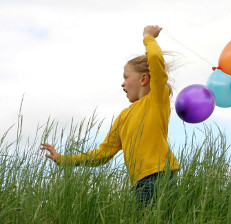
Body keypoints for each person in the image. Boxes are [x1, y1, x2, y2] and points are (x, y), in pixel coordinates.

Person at [40, 25, 180, 209]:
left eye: (126, 77)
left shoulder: (157, 99)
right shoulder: (123, 116)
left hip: (159, 176)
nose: (122, 84)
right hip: (139, 184)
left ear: (143, 79)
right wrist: (64, 159)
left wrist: (148, 37)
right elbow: (102, 154)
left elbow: (155, 59)